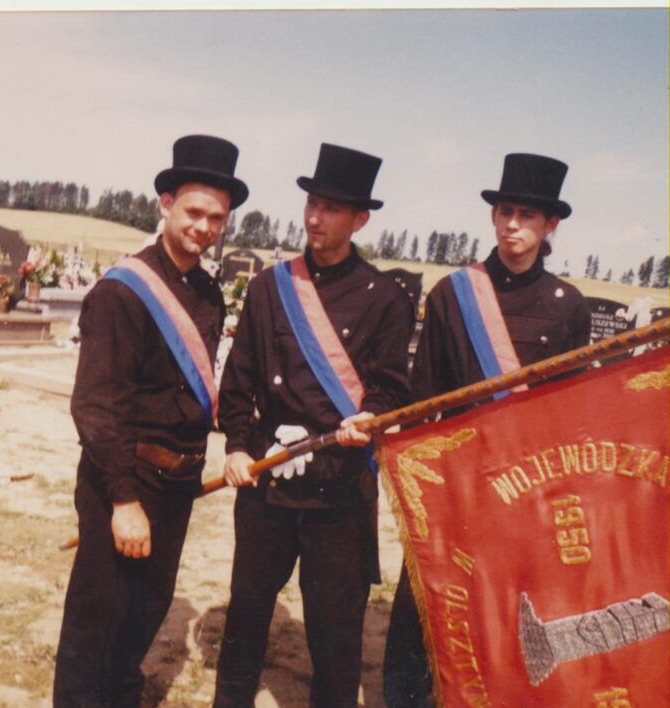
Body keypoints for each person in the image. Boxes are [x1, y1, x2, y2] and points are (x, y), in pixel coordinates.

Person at [382, 152, 591, 707]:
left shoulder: (568, 306)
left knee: (508, 615)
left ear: (551, 225)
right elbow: (423, 398)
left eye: (527, 215)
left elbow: (571, 412)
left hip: (526, 489)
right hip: (456, 485)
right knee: (424, 607)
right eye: (505, 212)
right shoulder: (452, 294)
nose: (512, 224)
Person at [215, 143, 414, 707]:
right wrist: (236, 446)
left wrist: (368, 416)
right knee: (246, 615)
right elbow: (238, 381)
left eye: (331, 208)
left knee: (335, 634)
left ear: (360, 219)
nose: (314, 218)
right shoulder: (269, 287)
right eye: (312, 204)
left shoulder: (385, 299)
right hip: (268, 485)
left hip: (339, 491)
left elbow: (390, 386)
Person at [53, 134, 249, 707]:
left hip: (178, 484)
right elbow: (97, 406)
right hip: (126, 480)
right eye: (194, 212)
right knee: (97, 624)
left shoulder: (208, 293)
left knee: (144, 615)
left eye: (217, 218)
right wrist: (123, 500)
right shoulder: (124, 292)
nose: (204, 227)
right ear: (166, 203)